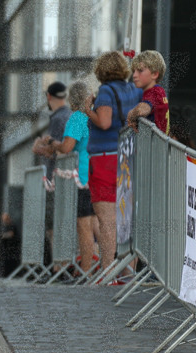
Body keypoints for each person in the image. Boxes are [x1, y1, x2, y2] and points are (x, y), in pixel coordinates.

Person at [86, 50, 142, 273]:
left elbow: (104, 122)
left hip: (104, 159)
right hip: (127, 157)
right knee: (126, 219)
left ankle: (108, 272)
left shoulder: (106, 91)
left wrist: (87, 109)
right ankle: (128, 272)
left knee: (107, 220)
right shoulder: (133, 90)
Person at [51, 80, 99, 272]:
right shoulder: (93, 118)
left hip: (82, 178)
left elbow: (67, 147)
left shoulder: (77, 118)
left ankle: (86, 271)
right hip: (95, 174)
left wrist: (54, 144)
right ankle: (103, 268)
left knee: (83, 226)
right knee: (96, 225)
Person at [32, 81, 71, 269]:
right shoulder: (69, 115)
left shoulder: (58, 118)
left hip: (55, 178)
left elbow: (53, 149)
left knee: (54, 224)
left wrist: (38, 146)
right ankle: (65, 265)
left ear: (49, 96)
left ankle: (59, 267)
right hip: (68, 176)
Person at [126, 50, 169, 134]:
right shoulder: (159, 91)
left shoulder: (155, 91)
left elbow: (142, 110)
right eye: (134, 71)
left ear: (154, 74)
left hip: (154, 145)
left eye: (140, 70)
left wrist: (131, 115)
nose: (134, 75)